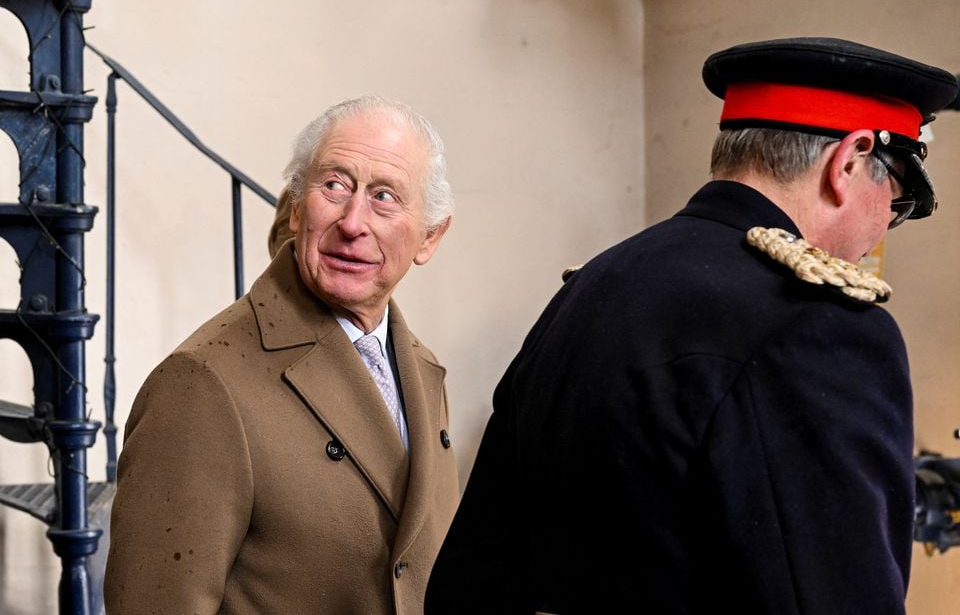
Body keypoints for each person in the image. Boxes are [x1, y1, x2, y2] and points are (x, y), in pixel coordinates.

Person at [425, 37, 960, 614]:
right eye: (897, 197)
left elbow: (472, 575)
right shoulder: (816, 326)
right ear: (848, 163)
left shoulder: (596, 284)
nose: (884, 224)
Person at [104, 95, 459, 614]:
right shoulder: (202, 382)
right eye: (334, 185)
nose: (354, 222)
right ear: (296, 206)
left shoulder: (422, 370)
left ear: (429, 236)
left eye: (384, 197)